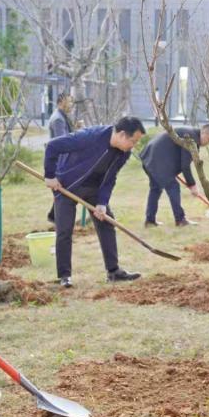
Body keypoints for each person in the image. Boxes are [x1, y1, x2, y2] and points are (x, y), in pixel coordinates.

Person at [44, 116, 146, 288]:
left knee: (106, 222)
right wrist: (50, 176)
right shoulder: (90, 137)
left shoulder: (123, 153)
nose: (133, 146)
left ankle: (113, 272)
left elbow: (110, 178)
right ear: (122, 134)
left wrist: (102, 202)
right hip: (67, 185)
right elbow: (53, 146)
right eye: (133, 141)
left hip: (94, 188)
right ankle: (64, 276)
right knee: (64, 230)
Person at [139, 124, 209, 227]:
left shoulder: (190, 134)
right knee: (173, 187)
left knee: (156, 188)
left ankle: (150, 221)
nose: (208, 143)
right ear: (204, 133)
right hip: (157, 160)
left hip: (151, 156)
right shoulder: (190, 138)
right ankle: (180, 220)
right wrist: (192, 185)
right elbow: (185, 165)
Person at [45, 93, 77, 226]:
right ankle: (56, 218)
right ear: (60, 102)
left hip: (62, 162)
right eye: (68, 102)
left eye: (72, 102)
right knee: (62, 192)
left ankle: (54, 217)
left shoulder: (62, 117)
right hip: (60, 163)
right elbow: (62, 143)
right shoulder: (58, 119)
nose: (71, 105)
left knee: (62, 191)